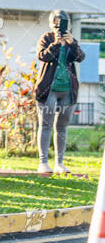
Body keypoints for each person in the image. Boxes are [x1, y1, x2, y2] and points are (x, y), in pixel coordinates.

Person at [34, 9, 85, 174]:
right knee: (46, 125)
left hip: (67, 90)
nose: (58, 26)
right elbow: (43, 56)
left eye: (61, 22)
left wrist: (72, 43)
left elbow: (80, 57)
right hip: (49, 90)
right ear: (51, 23)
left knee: (62, 127)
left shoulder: (72, 40)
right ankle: (43, 163)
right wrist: (55, 44)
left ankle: (60, 163)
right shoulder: (46, 38)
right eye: (55, 22)